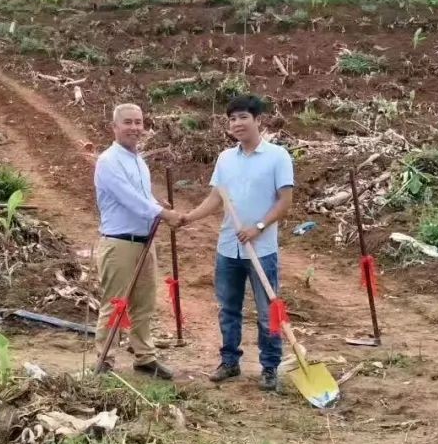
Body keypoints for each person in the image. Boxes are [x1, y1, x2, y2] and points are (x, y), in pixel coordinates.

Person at [176, 94, 294, 392]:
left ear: (257, 120)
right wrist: (188, 218)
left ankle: (270, 367)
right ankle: (230, 361)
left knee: (268, 311)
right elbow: (217, 197)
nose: (237, 123)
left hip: (262, 249)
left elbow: (285, 201)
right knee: (228, 308)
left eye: (243, 117)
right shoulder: (225, 159)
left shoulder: (277, 156)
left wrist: (258, 227)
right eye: (232, 119)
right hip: (228, 248)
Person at [93, 103, 179, 379]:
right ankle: (104, 359)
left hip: (145, 241)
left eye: (138, 122)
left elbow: (141, 196)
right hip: (120, 243)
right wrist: (164, 213)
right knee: (115, 302)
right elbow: (128, 198)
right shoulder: (108, 161)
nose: (134, 128)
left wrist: (156, 202)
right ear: (115, 127)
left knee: (144, 303)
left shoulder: (138, 161)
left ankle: (145, 357)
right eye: (128, 122)